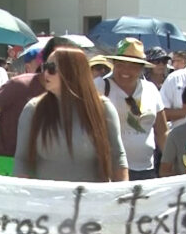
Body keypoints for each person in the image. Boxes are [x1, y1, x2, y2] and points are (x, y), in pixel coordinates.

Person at [14, 47, 128, 182]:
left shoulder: (102, 108)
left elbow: (117, 156)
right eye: (44, 66)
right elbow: (21, 160)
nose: (45, 73)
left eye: (52, 68)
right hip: (47, 200)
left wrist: (123, 198)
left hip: (91, 200)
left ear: (72, 72)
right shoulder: (33, 109)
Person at [0, 37, 78, 166]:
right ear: (46, 61)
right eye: (57, 63)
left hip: (47, 170)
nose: (65, 68)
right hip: (7, 166)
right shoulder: (18, 86)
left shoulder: (72, 95)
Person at [94, 38, 168, 180]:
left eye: (132, 66)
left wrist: (170, 162)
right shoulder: (99, 87)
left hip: (146, 170)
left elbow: (162, 131)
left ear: (141, 68)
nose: (125, 71)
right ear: (114, 64)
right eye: (120, 64)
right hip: (111, 170)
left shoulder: (151, 89)